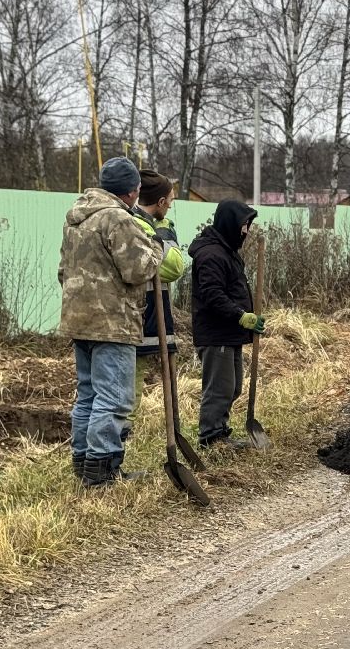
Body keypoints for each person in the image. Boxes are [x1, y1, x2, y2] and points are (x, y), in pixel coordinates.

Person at [59, 156, 164, 485]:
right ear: (132, 191)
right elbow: (137, 269)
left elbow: (63, 270)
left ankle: (83, 464)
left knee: (88, 395)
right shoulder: (117, 218)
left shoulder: (76, 217)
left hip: (79, 320)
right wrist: (157, 247)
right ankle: (102, 470)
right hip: (112, 323)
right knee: (114, 397)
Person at [188, 199, 265, 449]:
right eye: (244, 225)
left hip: (230, 333)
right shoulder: (211, 254)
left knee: (232, 388)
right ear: (230, 223)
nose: (246, 232)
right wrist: (241, 315)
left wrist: (246, 318)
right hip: (216, 334)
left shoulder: (226, 251)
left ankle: (220, 431)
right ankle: (210, 437)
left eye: (248, 226)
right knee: (219, 388)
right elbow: (213, 295)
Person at [131, 170, 187, 418]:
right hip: (139, 318)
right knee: (128, 396)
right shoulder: (143, 227)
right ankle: (119, 440)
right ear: (161, 202)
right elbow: (174, 267)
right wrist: (164, 231)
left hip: (142, 318)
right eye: (171, 201)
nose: (171, 207)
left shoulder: (134, 221)